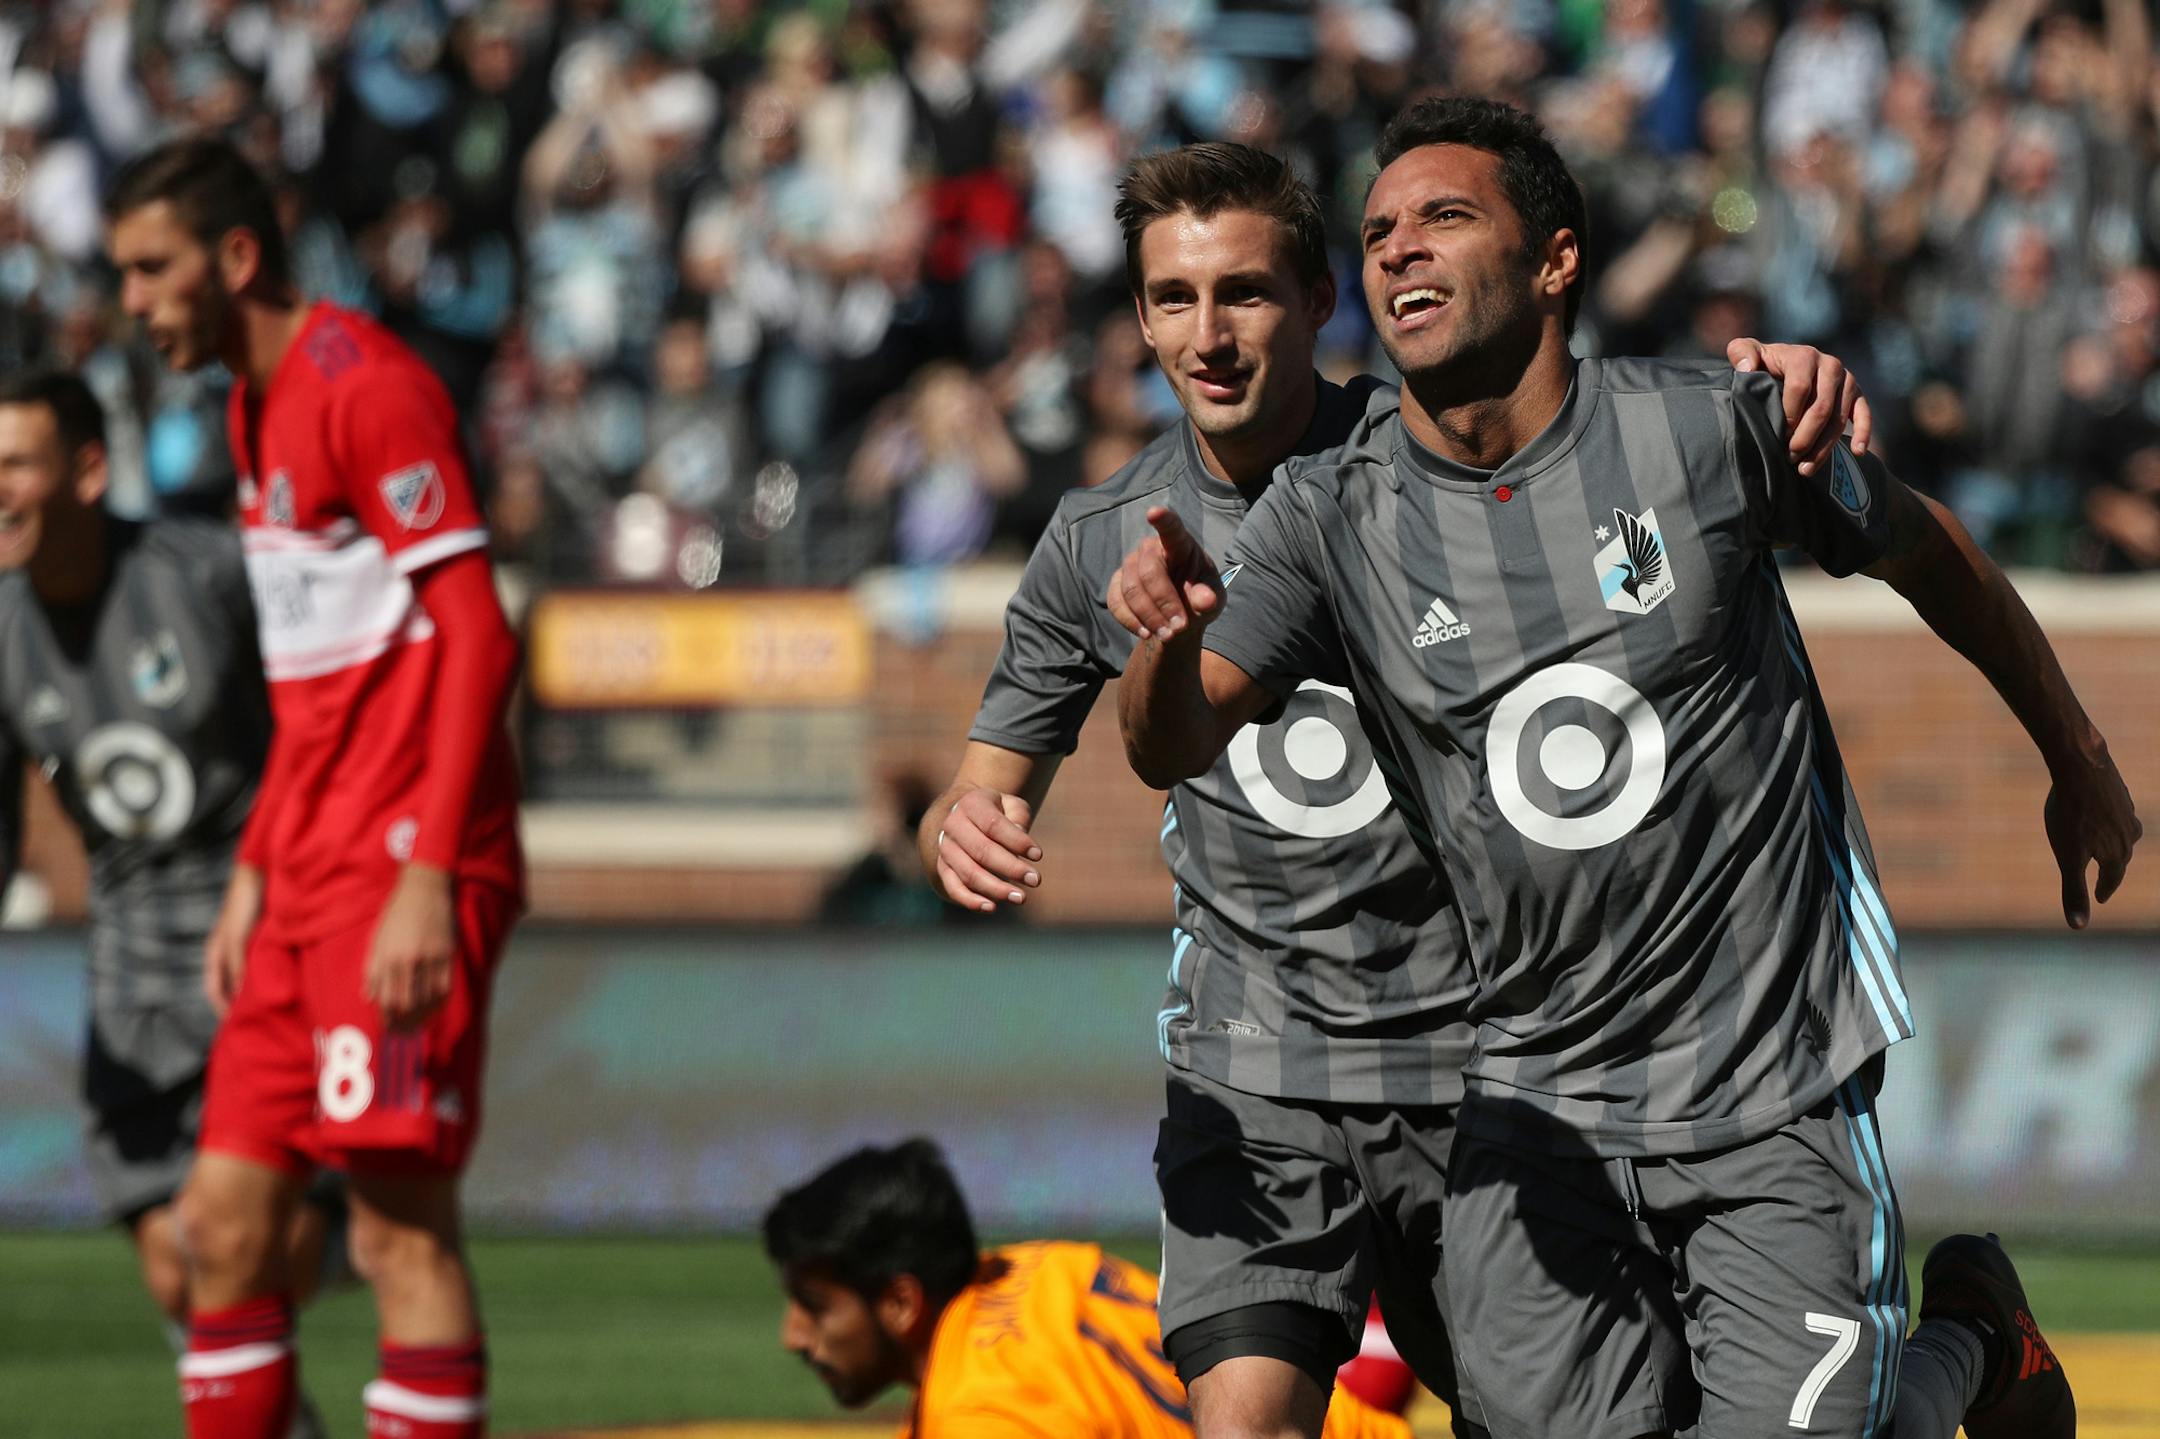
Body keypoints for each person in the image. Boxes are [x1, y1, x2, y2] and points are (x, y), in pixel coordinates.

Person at [1109, 97, 2138, 1439]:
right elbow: (1171, 741)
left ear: (1556, 260)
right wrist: (1164, 642)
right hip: (1533, 1107)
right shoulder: (1329, 513)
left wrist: (2076, 750)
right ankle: (1972, 1348)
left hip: (1770, 1078)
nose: (1400, 248)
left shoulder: (1712, 430)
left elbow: (1924, 548)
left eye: (1444, 217)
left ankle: (1970, 1343)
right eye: (1378, 231)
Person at [925, 141, 1869, 1439]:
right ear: (1139, 318)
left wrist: (1793, 383)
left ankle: (1955, 1357)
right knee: (1243, 1422)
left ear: (1321, 299)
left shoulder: (1435, 459)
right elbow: (989, 778)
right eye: (1175, 299)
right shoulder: (1101, 536)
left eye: (1245, 292)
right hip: (1255, 1067)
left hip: (1479, 1067)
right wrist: (972, 820)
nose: (1210, 335)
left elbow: (1620, 441)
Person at [106, 136, 525, 1439]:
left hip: (399, 870)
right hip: (301, 875)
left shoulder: (367, 386)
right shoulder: (250, 405)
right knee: (219, 1228)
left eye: (152, 268)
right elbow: (315, 684)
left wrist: (428, 873)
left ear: (235, 258)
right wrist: (252, 872)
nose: (131, 300)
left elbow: (479, 632)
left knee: (398, 1230)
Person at [0, 368, 344, 1438]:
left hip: (267, 946)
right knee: (174, 1268)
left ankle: (371, 1230)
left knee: (251, 1244)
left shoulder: (203, 573)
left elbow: (322, 716)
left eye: (14, 464)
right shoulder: (1, 626)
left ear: (87, 471)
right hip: (133, 976)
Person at [763, 1137, 1414, 1439]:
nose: (794, 1335)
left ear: (902, 1302)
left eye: (815, 1307)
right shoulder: (1038, 1266)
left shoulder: (980, 1412)